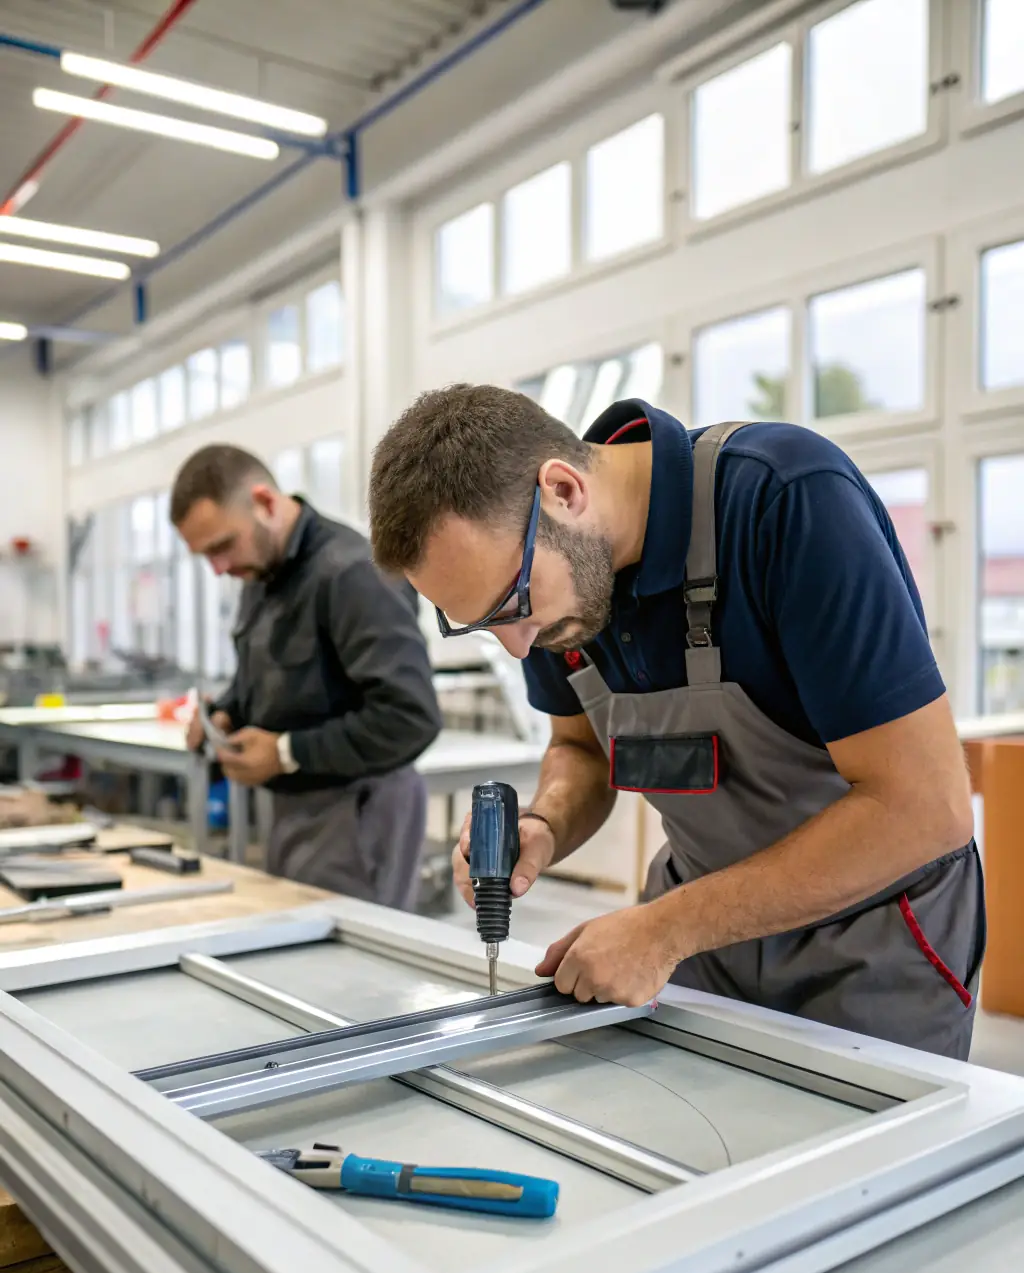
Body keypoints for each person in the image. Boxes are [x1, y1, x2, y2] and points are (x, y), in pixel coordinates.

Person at [367, 385, 984, 1060]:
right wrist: (544, 823)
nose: (518, 646)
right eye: (482, 624)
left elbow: (925, 808)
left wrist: (666, 929)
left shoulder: (786, 499)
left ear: (564, 490)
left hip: (872, 940)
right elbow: (580, 750)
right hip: (702, 933)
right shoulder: (549, 591)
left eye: (511, 605)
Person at [171, 443, 442, 910]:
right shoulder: (262, 573)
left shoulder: (353, 573)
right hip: (295, 807)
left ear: (265, 502)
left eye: (222, 546)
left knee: (344, 954)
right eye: (205, 556)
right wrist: (225, 714)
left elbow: (410, 717)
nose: (218, 569)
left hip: (358, 812)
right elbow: (267, 678)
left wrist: (285, 752)